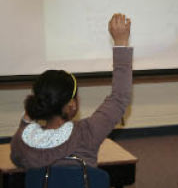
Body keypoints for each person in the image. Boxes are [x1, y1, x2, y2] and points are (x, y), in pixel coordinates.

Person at [10, 13, 132, 168]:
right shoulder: (86, 134)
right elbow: (119, 98)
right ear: (72, 105)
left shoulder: (21, 142)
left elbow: (15, 158)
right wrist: (121, 42)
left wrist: (27, 118)